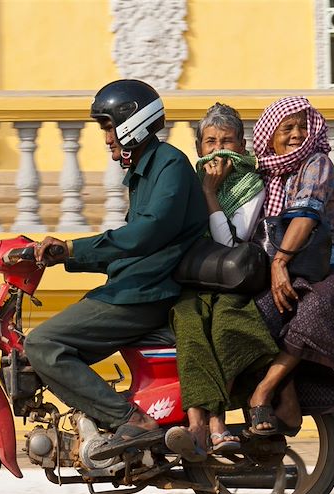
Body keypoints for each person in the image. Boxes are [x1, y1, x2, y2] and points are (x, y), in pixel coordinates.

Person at [26, 79, 208, 460]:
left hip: (145, 295)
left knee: (42, 343)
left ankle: (130, 419)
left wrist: (73, 248)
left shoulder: (170, 165)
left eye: (108, 126)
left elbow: (144, 235)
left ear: (131, 123)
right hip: (132, 288)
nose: (107, 137)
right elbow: (130, 246)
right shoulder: (146, 170)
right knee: (32, 355)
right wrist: (69, 257)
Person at [246, 96, 334, 436]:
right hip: (295, 271)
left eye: (302, 127)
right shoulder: (263, 174)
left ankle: (262, 391)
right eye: (287, 127)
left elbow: (306, 216)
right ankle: (287, 396)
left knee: (313, 309)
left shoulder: (316, 163)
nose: (296, 134)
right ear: (269, 134)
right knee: (256, 314)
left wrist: (280, 261)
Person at [164, 103, 280, 461]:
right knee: (188, 321)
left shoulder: (250, 185)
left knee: (229, 326)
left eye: (226, 141)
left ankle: (217, 421)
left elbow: (230, 242)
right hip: (192, 278)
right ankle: (200, 422)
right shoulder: (184, 181)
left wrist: (211, 194)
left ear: (241, 147)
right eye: (210, 142)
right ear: (199, 147)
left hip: (232, 282)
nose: (217, 150)